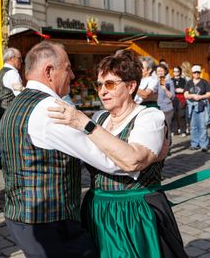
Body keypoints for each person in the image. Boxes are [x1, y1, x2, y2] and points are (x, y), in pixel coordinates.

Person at [0, 41, 147, 258]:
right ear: (49, 71)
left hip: (19, 217)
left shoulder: (17, 103)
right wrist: (145, 157)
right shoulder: (52, 110)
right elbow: (109, 160)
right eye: (67, 68)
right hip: (50, 223)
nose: (73, 75)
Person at [47, 49, 186, 258]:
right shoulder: (100, 117)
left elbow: (133, 160)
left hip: (135, 214)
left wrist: (84, 124)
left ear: (131, 86)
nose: (103, 91)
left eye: (110, 84)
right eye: (99, 85)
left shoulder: (150, 117)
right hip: (97, 209)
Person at [184, 65, 210, 152]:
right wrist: (192, 95)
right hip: (191, 107)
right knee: (193, 126)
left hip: (202, 106)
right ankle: (194, 144)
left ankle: (204, 145)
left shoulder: (204, 82)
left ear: (200, 73)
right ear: (192, 73)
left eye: (198, 72)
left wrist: (200, 97)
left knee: (202, 126)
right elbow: (185, 95)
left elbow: (209, 94)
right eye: (194, 72)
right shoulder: (189, 83)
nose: (196, 74)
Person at [0, 47, 24, 124]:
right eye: (19, 58)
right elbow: (20, 94)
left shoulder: (0, 72)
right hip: (9, 115)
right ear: (12, 58)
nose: (21, 61)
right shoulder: (12, 74)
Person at [156, 63, 175, 144]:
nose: (160, 72)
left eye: (161, 71)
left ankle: (168, 147)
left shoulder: (169, 82)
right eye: (158, 71)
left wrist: (164, 88)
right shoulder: (154, 82)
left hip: (167, 108)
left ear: (165, 72)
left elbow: (172, 96)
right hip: (157, 108)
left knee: (167, 129)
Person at [172, 66, 187, 136]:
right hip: (173, 98)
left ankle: (183, 130)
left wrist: (182, 90)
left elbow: (186, 89)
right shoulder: (171, 80)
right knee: (173, 114)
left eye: (177, 71)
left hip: (181, 98)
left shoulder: (183, 80)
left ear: (180, 72)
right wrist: (174, 90)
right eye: (174, 71)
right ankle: (174, 130)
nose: (176, 73)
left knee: (182, 114)